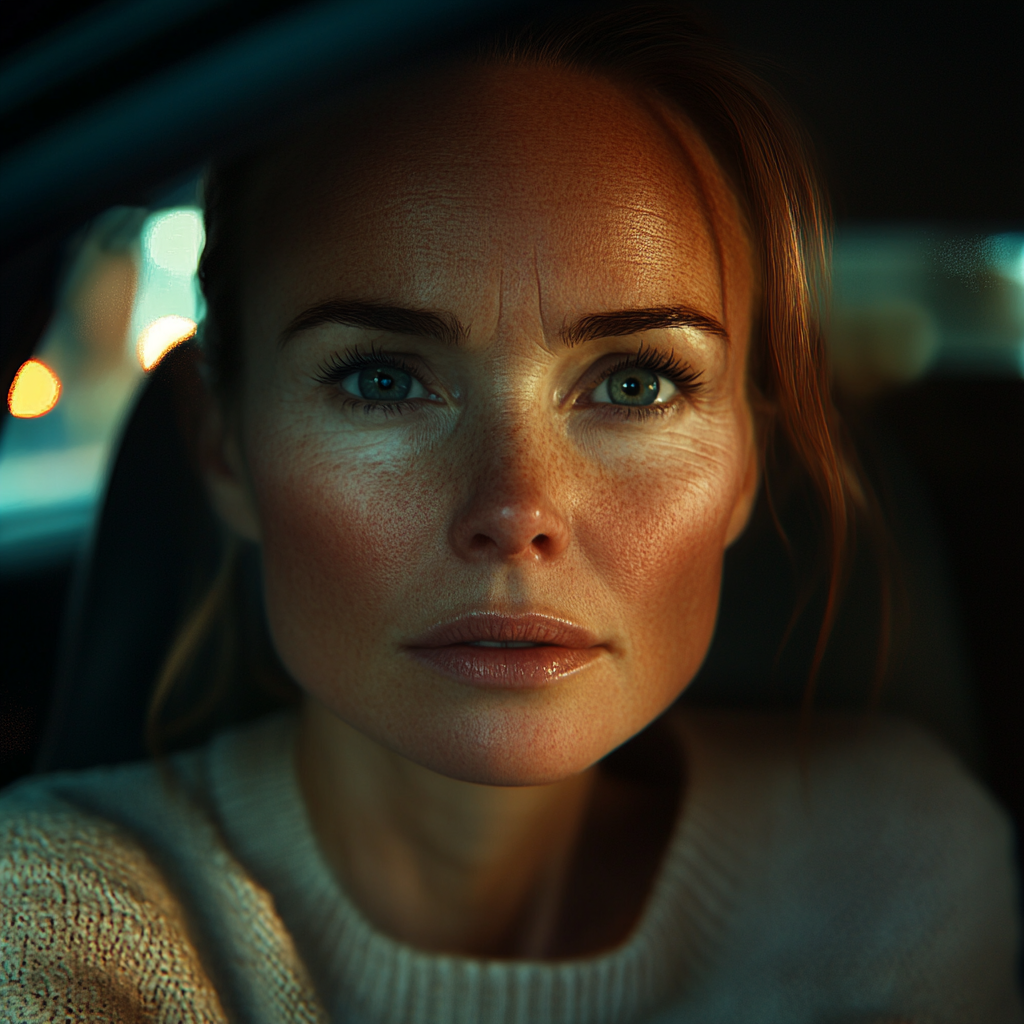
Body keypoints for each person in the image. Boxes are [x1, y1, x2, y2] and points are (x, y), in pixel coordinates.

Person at [2, 4, 1020, 1021]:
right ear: (225, 447)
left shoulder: (893, 865)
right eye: (382, 380)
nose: (515, 509)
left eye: (634, 384)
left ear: (745, 467)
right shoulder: (48, 914)